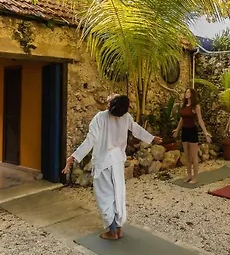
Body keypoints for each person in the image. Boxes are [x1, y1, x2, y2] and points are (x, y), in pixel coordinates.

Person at [62, 95, 162, 240]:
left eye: (113, 97)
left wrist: (73, 157)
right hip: (117, 161)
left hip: (104, 162)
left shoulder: (100, 117)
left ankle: (112, 231)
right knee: (118, 195)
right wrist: (151, 138)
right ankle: (118, 228)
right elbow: (136, 129)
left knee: (105, 196)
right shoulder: (125, 117)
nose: (110, 95)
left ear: (110, 104)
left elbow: (90, 140)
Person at [172, 88, 211, 184]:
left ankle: (196, 177)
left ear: (192, 94)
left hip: (192, 131)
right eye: (186, 92)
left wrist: (206, 132)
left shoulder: (196, 106)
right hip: (184, 131)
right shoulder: (184, 105)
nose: (186, 93)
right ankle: (189, 175)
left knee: (194, 156)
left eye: (188, 92)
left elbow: (200, 120)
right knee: (187, 156)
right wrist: (177, 130)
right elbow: (182, 119)